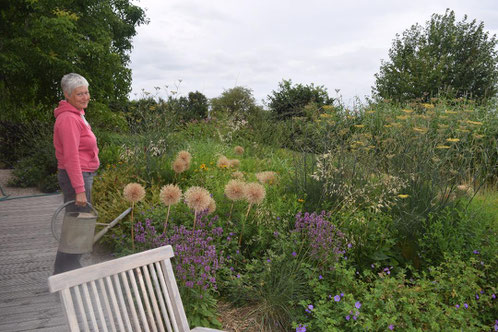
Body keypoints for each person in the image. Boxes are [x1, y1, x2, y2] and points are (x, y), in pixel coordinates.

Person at [53, 73, 99, 274]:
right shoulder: (68, 119)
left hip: (81, 174)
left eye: (86, 92)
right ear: (67, 95)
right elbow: (71, 157)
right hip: (76, 176)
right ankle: (65, 271)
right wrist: (79, 190)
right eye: (79, 93)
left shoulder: (77, 114)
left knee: (77, 223)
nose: (85, 96)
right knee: (76, 224)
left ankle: (69, 268)